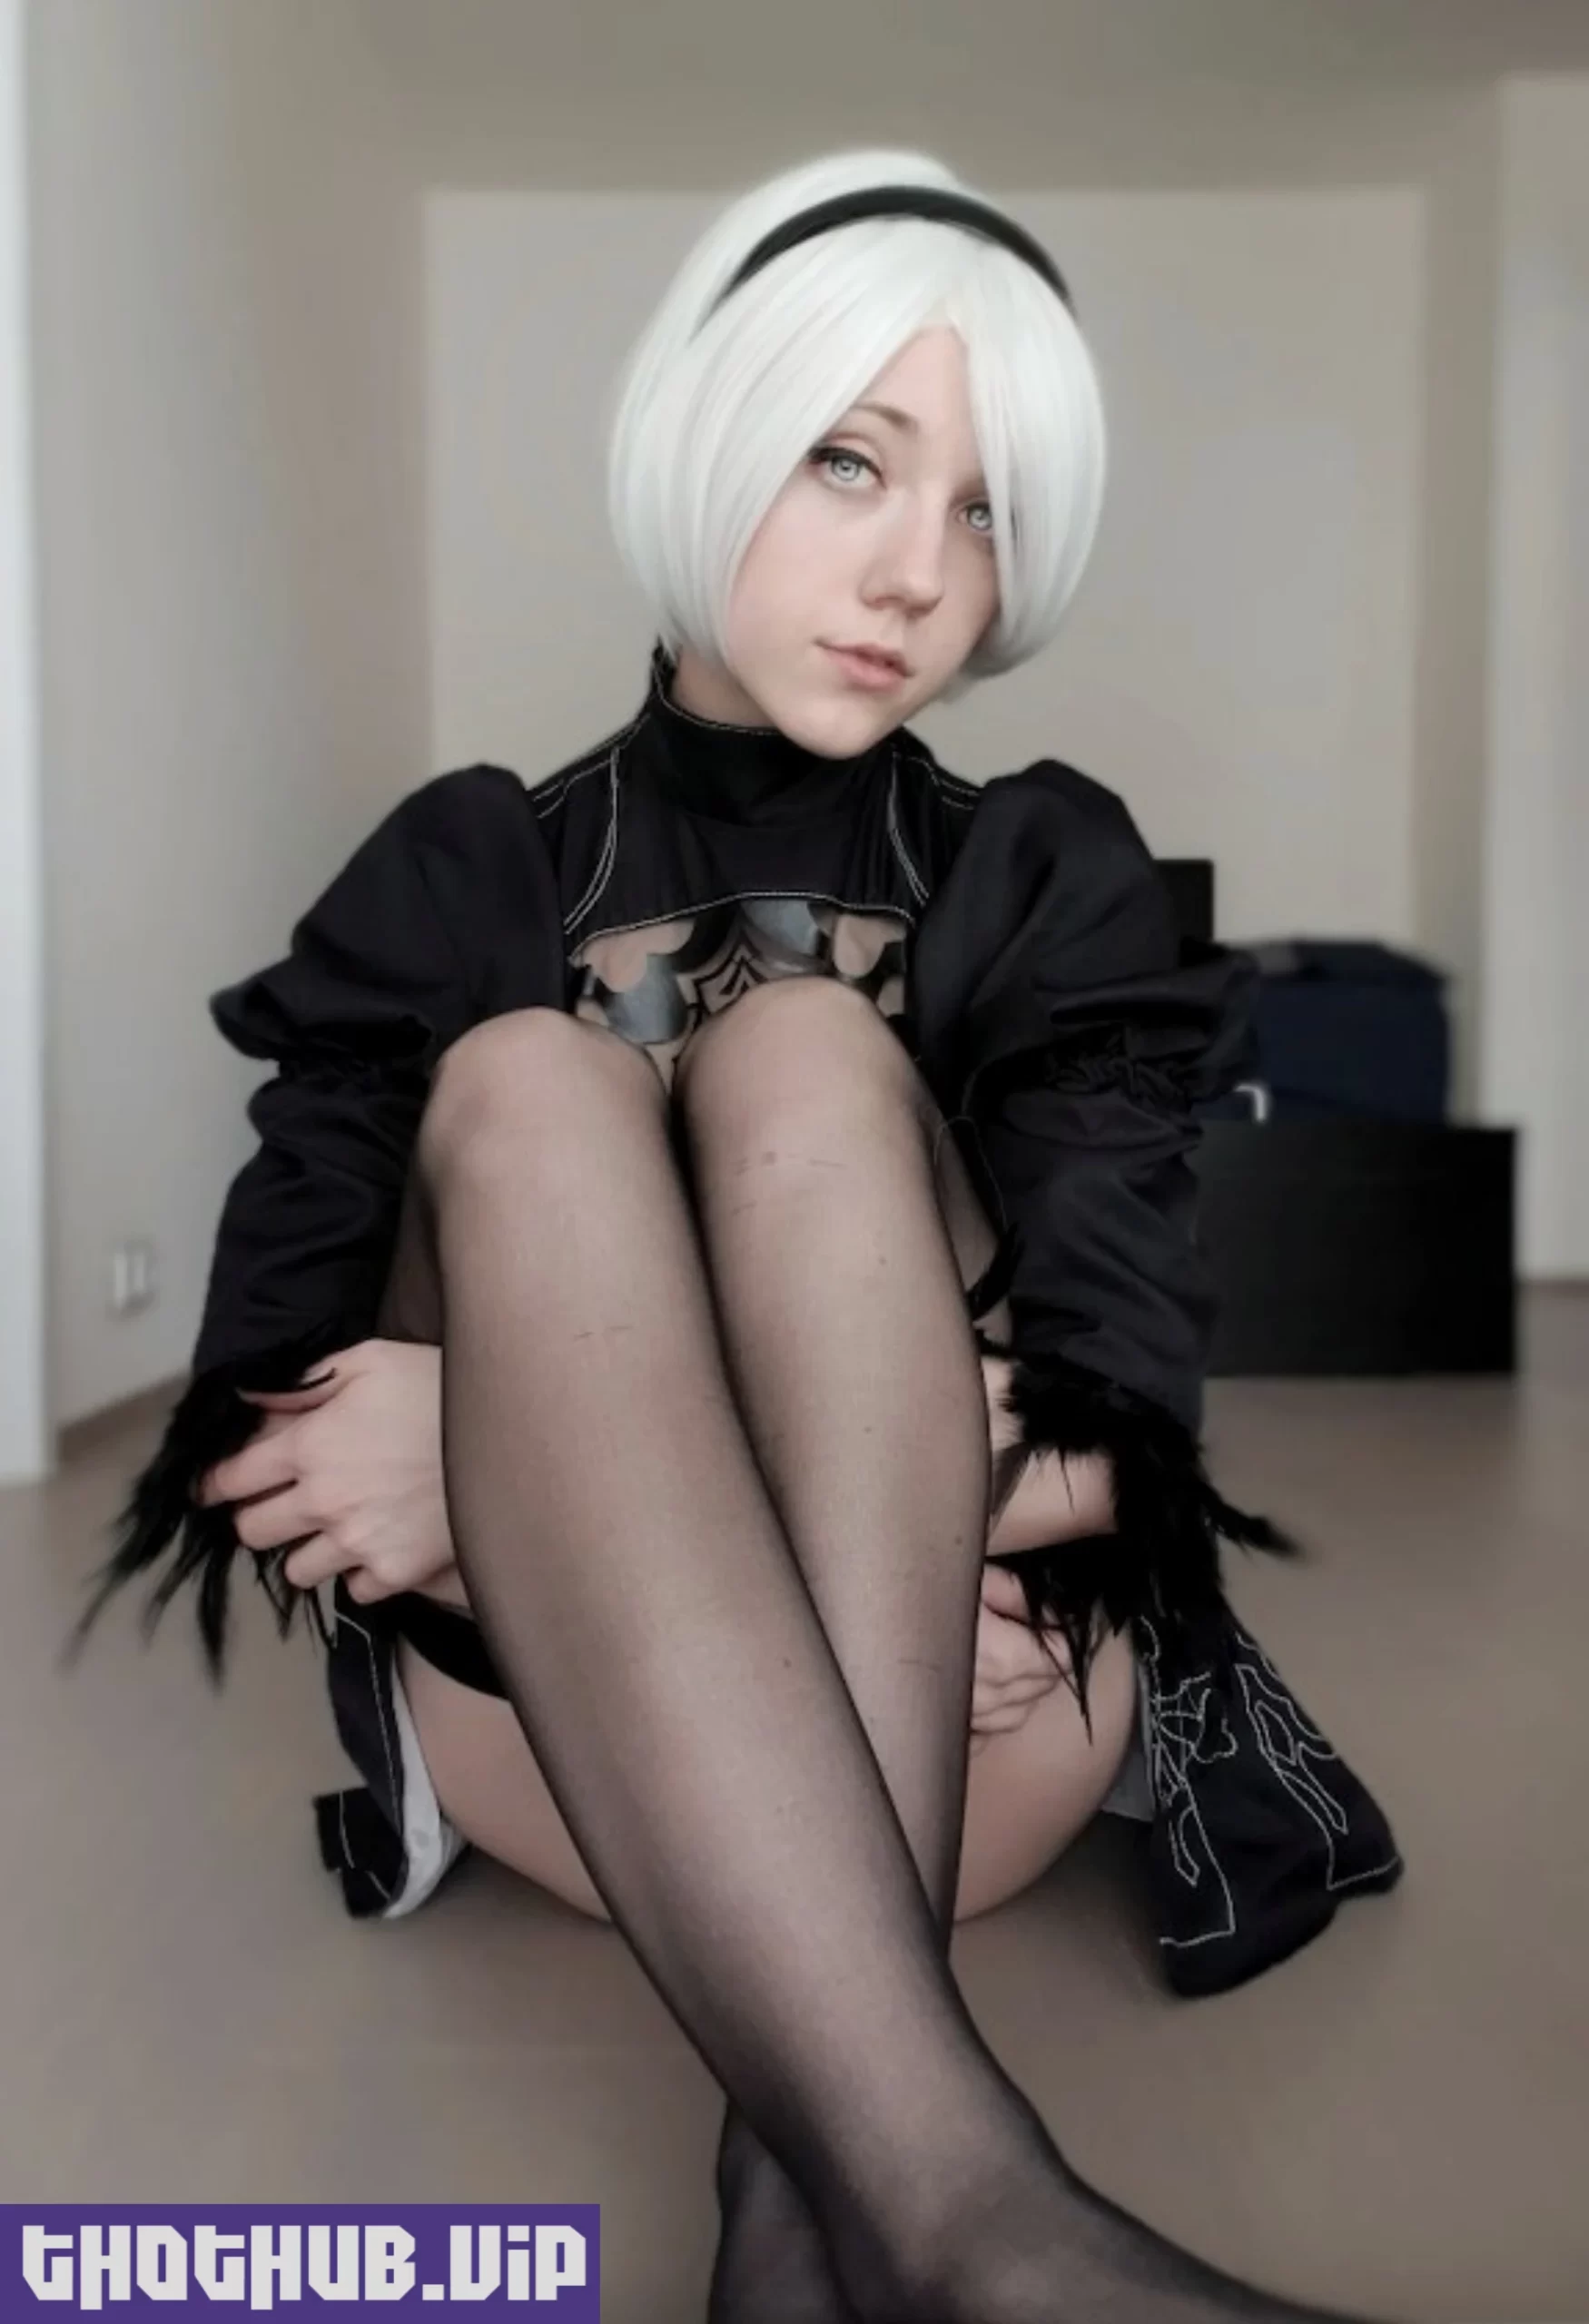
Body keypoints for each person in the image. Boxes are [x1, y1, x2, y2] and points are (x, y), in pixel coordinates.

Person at [73, 151, 1404, 2324]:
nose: (915, 571)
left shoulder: (1040, 876)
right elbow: (263, 1446)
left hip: (981, 1714)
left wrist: (492, 1460)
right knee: (524, 1082)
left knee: (796, 1054)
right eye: (846, 461)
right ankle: (958, 2221)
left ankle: (833, 2202)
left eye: (981, 509)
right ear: (709, 431)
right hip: (567, 1741)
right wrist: (849, 1485)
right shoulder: (467, 876)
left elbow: (1123, 1436)